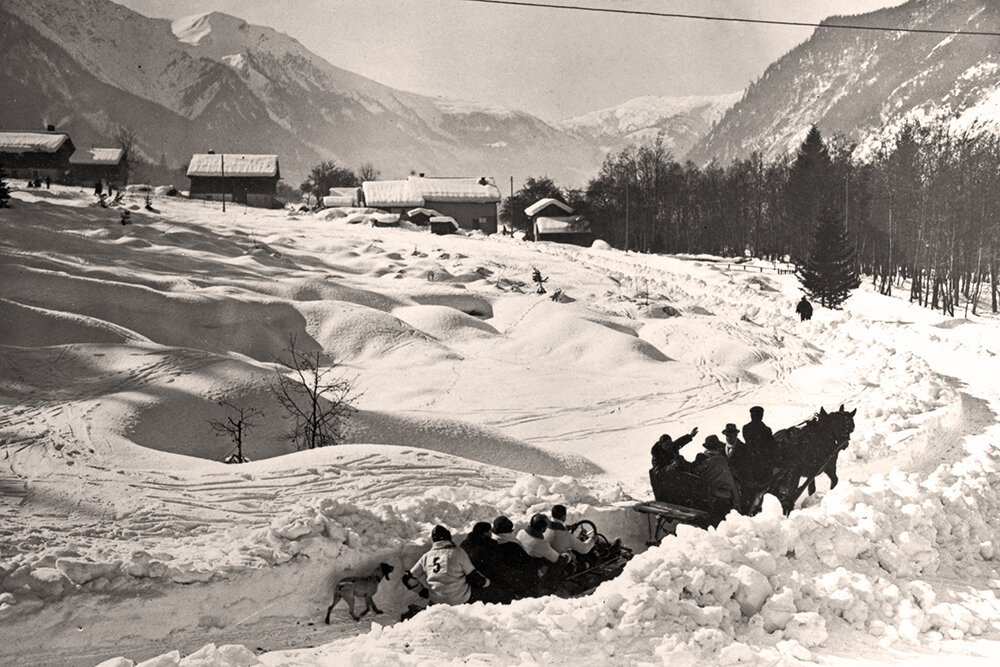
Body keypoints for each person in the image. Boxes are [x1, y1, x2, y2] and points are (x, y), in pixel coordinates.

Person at [406, 525, 489, 606]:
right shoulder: (458, 552)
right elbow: (474, 578)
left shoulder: (426, 557)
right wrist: (487, 583)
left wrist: (422, 591)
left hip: (436, 601)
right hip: (460, 600)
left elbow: (407, 579)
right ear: (448, 536)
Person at [490, 515, 542, 601]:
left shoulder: (492, 542)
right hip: (515, 582)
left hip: (499, 580)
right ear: (508, 531)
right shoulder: (513, 546)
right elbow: (529, 562)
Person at [517, 513, 571, 592]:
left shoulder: (521, 532)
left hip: (524, 565)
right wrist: (567, 556)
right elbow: (558, 559)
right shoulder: (541, 544)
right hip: (535, 571)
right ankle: (552, 586)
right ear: (543, 529)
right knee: (559, 564)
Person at [694, 435, 740, 524]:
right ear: (718, 447)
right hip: (721, 499)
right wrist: (737, 502)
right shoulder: (720, 460)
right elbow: (730, 482)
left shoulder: (700, 460)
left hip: (705, 499)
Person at [460, 522, 503, 603]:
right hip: (483, 583)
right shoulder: (491, 545)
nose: (491, 534)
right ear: (485, 533)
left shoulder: (464, 544)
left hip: (465, 583)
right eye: (490, 531)